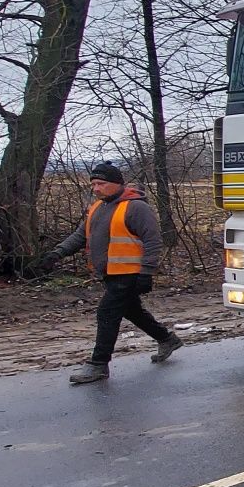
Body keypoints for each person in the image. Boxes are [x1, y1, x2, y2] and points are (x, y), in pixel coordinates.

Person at [39, 161, 181, 385]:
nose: (96, 188)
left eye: (101, 184)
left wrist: (147, 272)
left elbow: (153, 241)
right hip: (110, 272)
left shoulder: (136, 207)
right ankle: (167, 339)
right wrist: (56, 254)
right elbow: (80, 235)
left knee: (107, 313)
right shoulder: (98, 207)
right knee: (132, 311)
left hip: (129, 273)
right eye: (93, 184)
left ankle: (98, 365)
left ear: (116, 184)